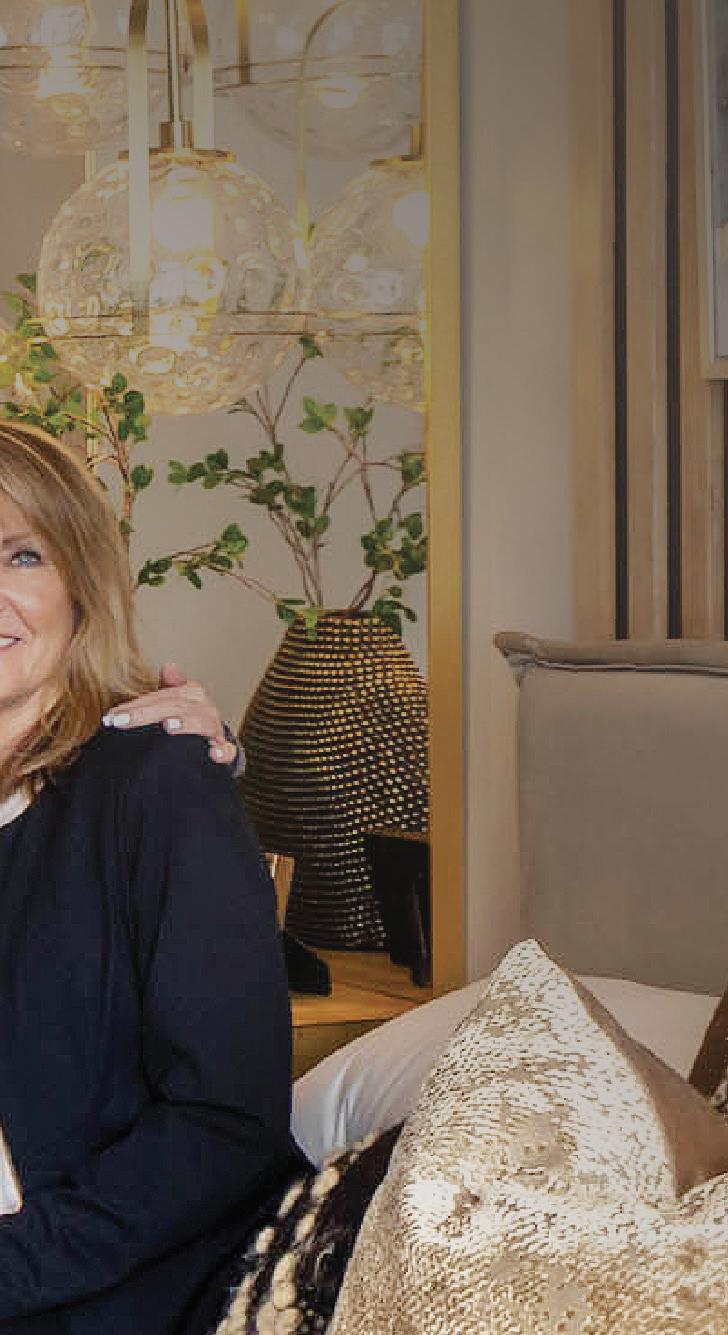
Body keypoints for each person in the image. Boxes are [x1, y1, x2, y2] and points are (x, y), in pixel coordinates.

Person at [0, 422, 301, 1335]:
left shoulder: (158, 774)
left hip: (100, 1286)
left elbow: (225, 1119)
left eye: (20, 556)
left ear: (82, 585)